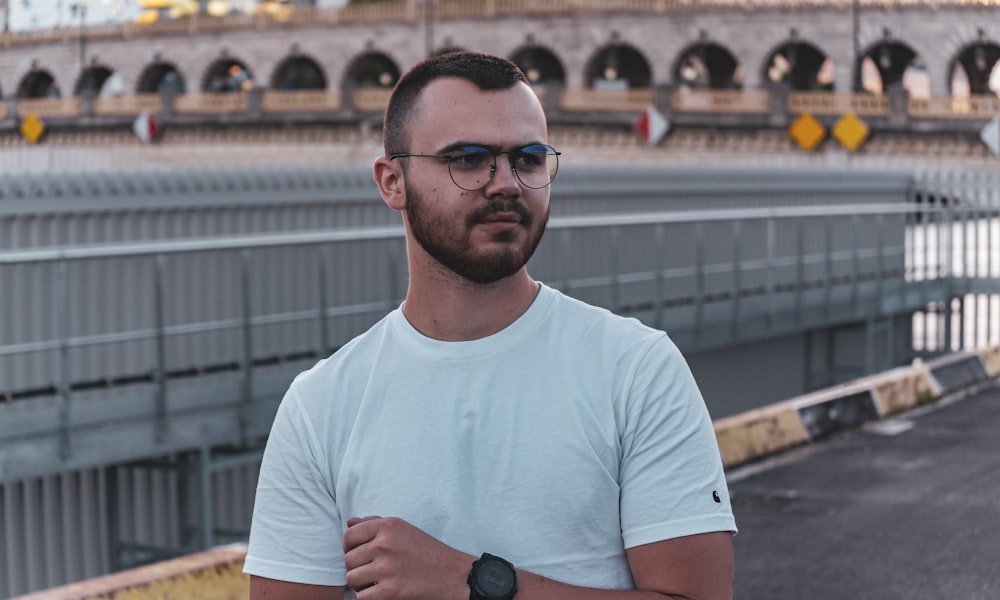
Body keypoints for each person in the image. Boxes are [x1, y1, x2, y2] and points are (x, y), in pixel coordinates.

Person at [244, 50, 737, 600]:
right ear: (392, 181)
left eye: (528, 158)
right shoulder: (321, 407)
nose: (505, 183)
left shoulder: (637, 370)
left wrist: (472, 583)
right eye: (469, 158)